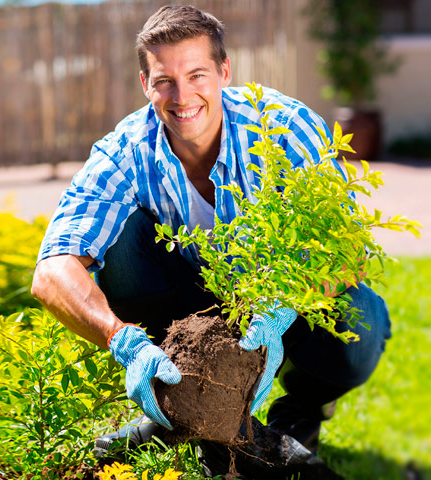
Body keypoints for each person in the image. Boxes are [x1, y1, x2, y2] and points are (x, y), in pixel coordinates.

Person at [29, 5, 391, 454]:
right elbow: (51, 270)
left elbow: (348, 245)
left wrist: (284, 305)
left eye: (197, 75)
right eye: (164, 81)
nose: (182, 97)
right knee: (119, 240)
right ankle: (175, 401)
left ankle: (300, 410)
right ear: (146, 85)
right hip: (185, 309)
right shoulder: (124, 151)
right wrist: (121, 339)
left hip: (279, 299)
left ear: (224, 71)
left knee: (360, 321)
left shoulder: (280, 126)